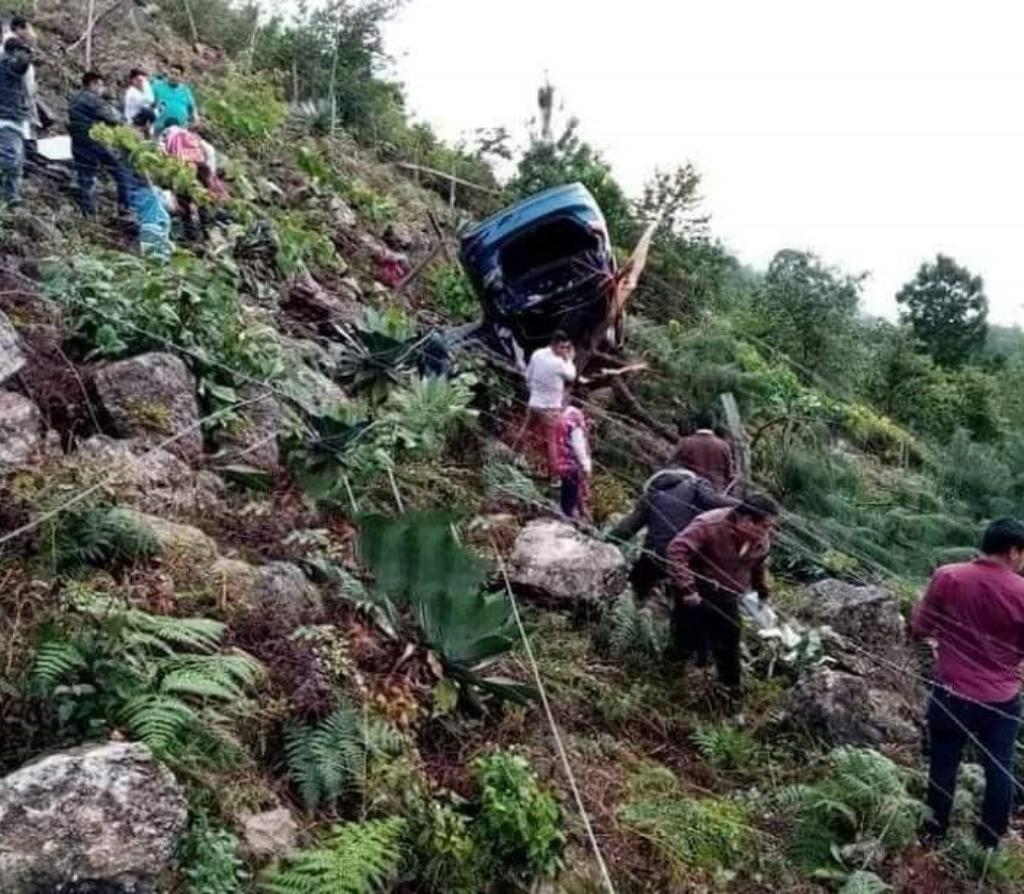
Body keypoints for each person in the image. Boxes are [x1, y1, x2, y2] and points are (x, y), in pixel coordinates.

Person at [912, 517, 1024, 850]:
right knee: (999, 767)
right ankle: (989, 842)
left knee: (944, 760)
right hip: (1001, 698)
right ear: (1014, 551)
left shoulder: (949, 576)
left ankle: (934, 834)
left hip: (952, 691)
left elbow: (920, 628)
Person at [666, 494, 779, 708]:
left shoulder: (760, 542)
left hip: (727, 596)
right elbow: (676, 550)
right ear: (745, 520)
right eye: (764, 526)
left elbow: (756, 567)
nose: (767, 532)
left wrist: (761, 590)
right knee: (688, 641)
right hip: (696, 594)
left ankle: (730, 695)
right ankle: (673, 690)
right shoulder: (709, 524)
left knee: (730, 642)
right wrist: (687, 588)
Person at [609, 469, 739, 602]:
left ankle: (638, 606)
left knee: (637, 581)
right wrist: (746, 507)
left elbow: (627, 528)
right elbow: (715, 501)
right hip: (693, 559)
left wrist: (605, 541)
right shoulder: (695, 485)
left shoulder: (651, 496)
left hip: (657, 557)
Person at [69, 71, 132, 215]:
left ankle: (88, 212)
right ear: (93, 84)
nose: (102, 88)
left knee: (85, 176)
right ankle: (125, 207)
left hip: (78, 142)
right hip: (95, 141)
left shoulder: (74, 98)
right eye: (101, 85)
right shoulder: (93, 100)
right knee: (120, 171)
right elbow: (115, 118)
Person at [515, 332, 577, 476]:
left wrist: (534, 391)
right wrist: (569, 359)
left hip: (534, 403)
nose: (564, 350)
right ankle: (555, 476)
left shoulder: (537, 354)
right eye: (562, 347)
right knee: (553, 442)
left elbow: (527, 375)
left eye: (567, 347)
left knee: (525, 430)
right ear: (554, 345)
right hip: (550, 408)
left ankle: (515, 457)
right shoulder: (559, 363)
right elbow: (572, 376)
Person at [124, 109, 172, 259]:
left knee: (161, 216)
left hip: (129, 183)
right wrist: (151, 185)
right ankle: (154, 254)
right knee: (155, 219)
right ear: (147, 123)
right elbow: (142, 166)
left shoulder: (126, 132)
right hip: (138, 186)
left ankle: (158, 251)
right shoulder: (137, 139)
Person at [0, 37, 31, 206]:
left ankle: (12, 196)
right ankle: (10, 197)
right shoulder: (6, 64)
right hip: (7, 119)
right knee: (12, 159)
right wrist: (27, 53)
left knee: (17, 161)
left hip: (14, 118)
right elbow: (20, 66)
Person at [670, 412, 735, 493]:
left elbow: (672, 466)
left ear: (696, 424)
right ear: (713, 425)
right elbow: (729, 474)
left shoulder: (685, 443)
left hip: (689, 490)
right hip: (715, 492)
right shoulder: (723, 446)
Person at [552, 398, 591, 519]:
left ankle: (566, 513)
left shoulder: (563, 415)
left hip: (561, 459)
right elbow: (578, 444)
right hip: (571, 463)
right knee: (571, 492)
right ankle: (568, 517)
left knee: (565, 490)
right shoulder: (575, 418)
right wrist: (586, 464)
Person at [152, 66, 198, 134]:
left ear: (181, 77)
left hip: (178, 131)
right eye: (171, 73)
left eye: (176, 74)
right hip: (157, 127)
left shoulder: (185, 91)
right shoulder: (158, 86)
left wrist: (196, 120)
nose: (173, 76)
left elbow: (192, 108)